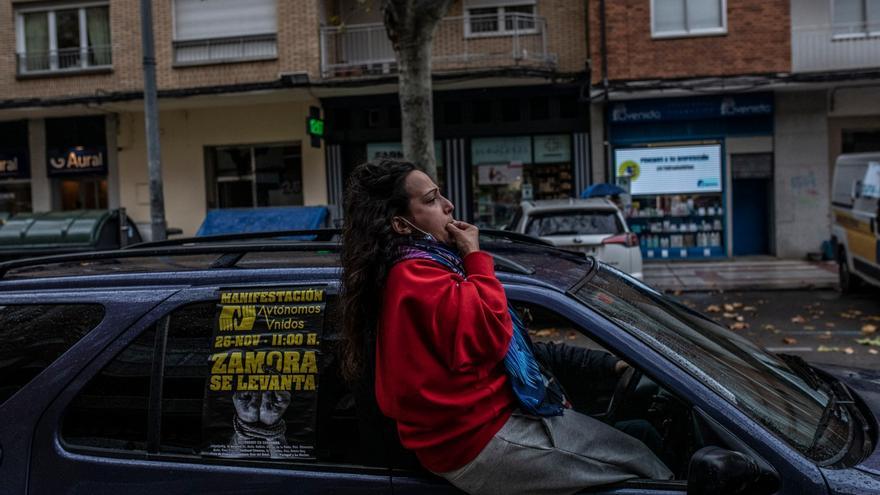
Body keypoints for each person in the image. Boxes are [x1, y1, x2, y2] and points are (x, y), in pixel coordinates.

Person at [339, 159, 671, 495]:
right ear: (401, 224)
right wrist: (475, 257)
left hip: (487, 422)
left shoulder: (425, 266)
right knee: (643, 463)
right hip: (476, 438)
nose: (448, 205)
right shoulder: (416, 276)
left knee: (637, 437)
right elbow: (492, 334)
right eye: (431, 200)